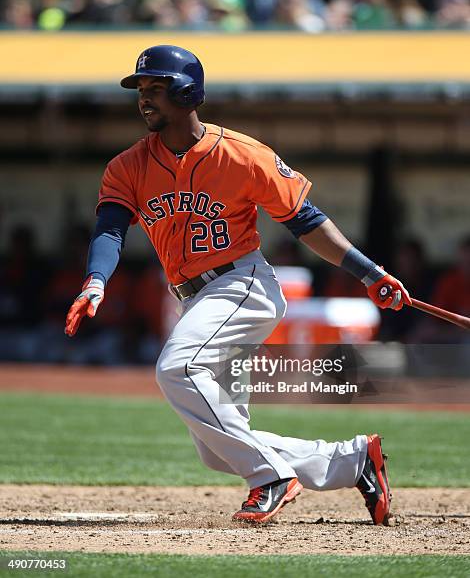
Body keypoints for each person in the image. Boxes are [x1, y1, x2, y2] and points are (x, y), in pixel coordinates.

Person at [65, 45, 411, 526]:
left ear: (188, 93)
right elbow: (110, 228)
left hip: (240, 284)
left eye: (156, 89)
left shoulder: (243, 155)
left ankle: (270, 477)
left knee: (179, 368)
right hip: (195, 300)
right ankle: (353, 461)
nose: (144, 99)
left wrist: (369, 273)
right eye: (141, 90)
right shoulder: (128, 166)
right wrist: (96, 280)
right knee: (218, 448)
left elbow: (305, 221)